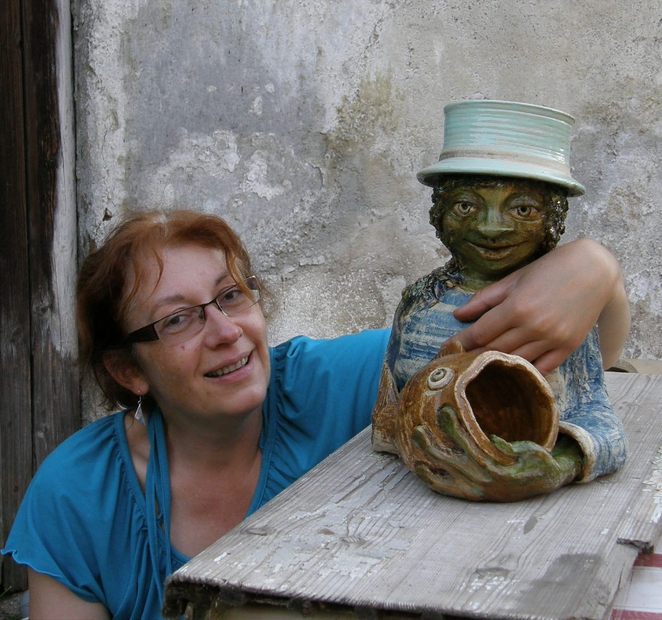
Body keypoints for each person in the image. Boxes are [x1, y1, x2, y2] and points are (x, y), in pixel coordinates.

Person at [1, 201, 627, 618]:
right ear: (128, 370)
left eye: (231, 295)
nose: (226, 331)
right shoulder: (78, 494)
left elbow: (570, 367)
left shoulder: (331, 385)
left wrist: (596, 270)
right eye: (178, 320)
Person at [374, 100, 628, 501]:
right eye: (466, 205)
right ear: (438, 212)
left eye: (523, 208)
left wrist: (558, 465)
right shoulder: (419, 301)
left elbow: (601, 421)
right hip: (403, 500)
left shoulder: (560, 308)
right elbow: (387, 417)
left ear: (554, 217)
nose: (492, 227)